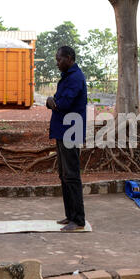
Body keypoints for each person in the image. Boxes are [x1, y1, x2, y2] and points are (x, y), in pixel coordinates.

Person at [46, 46, 87, 232]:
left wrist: (51, 102)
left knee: (71, 175)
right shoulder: (67, 77)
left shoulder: (75, 78)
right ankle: (70, 215)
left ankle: (78, 220)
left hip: (70, 130)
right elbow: (56, 101)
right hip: (63, 130)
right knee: (64, 175)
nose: (57, 63)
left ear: (69, 58)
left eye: (59, 59)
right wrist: (51, 101)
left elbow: (62, 103)